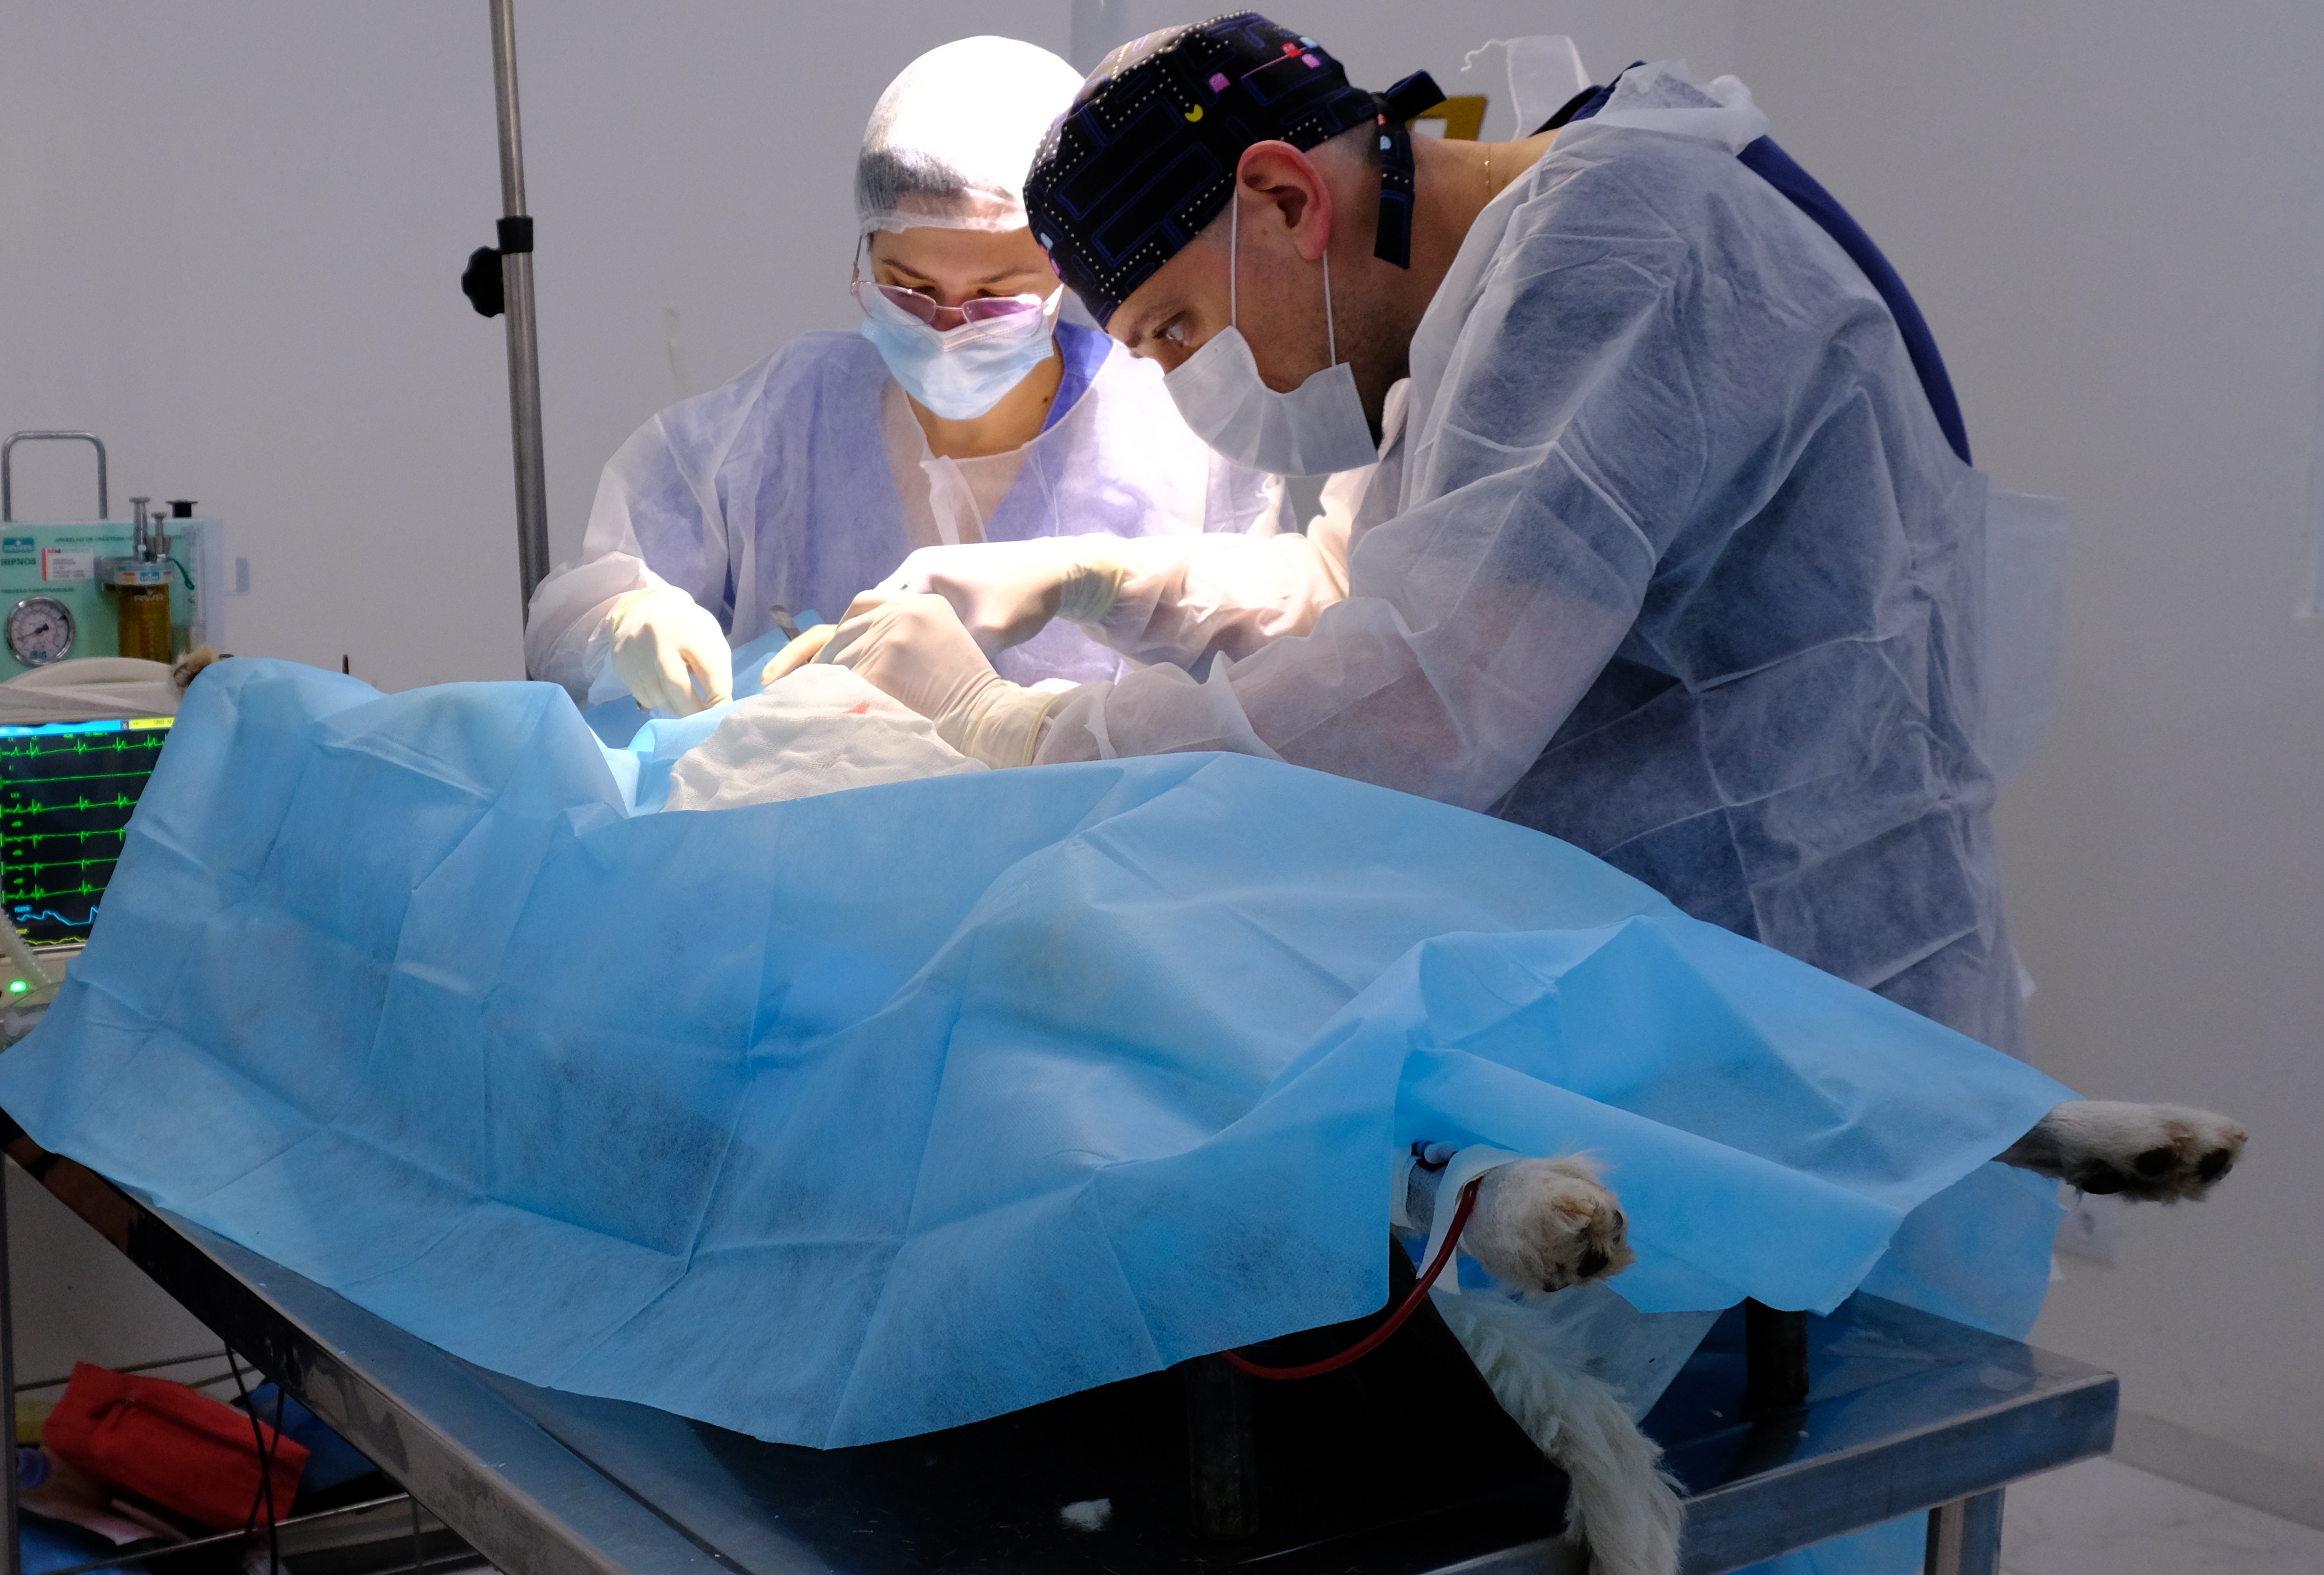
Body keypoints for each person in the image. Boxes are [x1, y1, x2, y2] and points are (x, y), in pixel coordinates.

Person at [780, 14, 2039, 1059]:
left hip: (1802, 1014)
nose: (1183, 380)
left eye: (1172, 330)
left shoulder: (1620, 251)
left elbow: (1426, 692)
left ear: (1281, 197)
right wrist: (1106, 579)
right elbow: (1363, 584)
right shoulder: (1465, 305)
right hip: (1667, 1005)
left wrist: (1019, 730)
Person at [525, 35, 1284, 717]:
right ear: (864, 258)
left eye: (993, 299)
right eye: (908, 287)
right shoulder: (784, 419)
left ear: (1072, 278)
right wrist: (624, 624)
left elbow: (1266, 668)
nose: (947, 325)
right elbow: (567, 624)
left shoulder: (1177, 434)